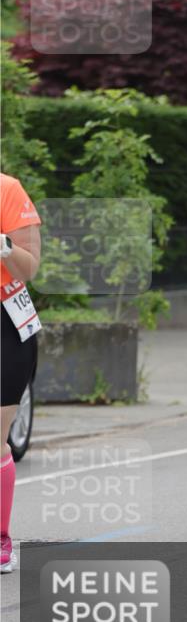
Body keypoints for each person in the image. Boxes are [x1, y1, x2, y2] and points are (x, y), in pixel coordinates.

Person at [1, 172, 42, 573]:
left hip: (4, 322)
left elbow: (29, 268)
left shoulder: (7, 190)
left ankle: (0, 539)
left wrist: (3, 246)